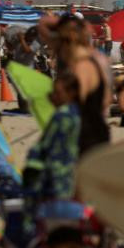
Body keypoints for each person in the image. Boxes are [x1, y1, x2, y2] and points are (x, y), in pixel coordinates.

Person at [22, 72, 82, 232]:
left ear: (71, 93)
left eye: (57, 93)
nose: (52, 97)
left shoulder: (63, 116)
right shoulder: (76, 113)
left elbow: (47, 147)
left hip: (53, 178)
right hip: (66, 177)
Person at [51, 13, 112, 154]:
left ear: (70, 38)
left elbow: (73, 106)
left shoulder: (81, 67)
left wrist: (58, 96)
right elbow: (106, 100)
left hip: (85, 138)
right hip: (97, 133)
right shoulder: (97, 60)